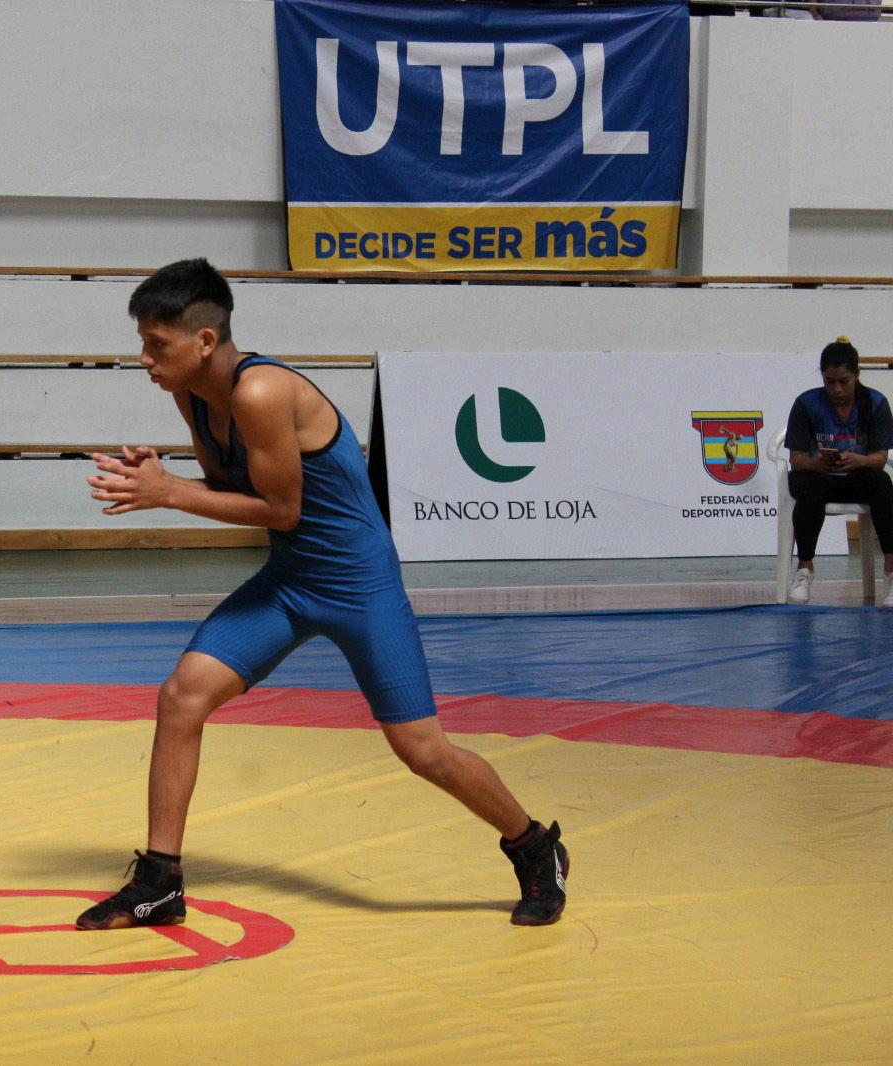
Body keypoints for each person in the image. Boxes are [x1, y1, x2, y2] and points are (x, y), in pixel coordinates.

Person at [77, 259, 569, 931]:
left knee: (423, 750)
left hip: (359, 585)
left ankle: (534, 845)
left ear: (205, 341)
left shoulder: (261, 391)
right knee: (182, 695)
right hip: (291, 581)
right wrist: (168, 479)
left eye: (157, 345)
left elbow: (280, 509)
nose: (145, 360)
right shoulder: (192, 393)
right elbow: (236, 487)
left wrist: (169, 494)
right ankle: (160, 882)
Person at [784, 337, 893, 606]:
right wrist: (816, 463)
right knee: (810, 486)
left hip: (857, 476)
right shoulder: (806, 404)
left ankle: (891, 572)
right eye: (829, 381)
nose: (837, 389)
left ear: (857, 375)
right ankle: (804, 569)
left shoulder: (876, 404)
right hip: (818, 476)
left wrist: (860, 460)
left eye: (844, 381)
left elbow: (880, 458)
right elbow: (796, 459)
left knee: (882, 483)